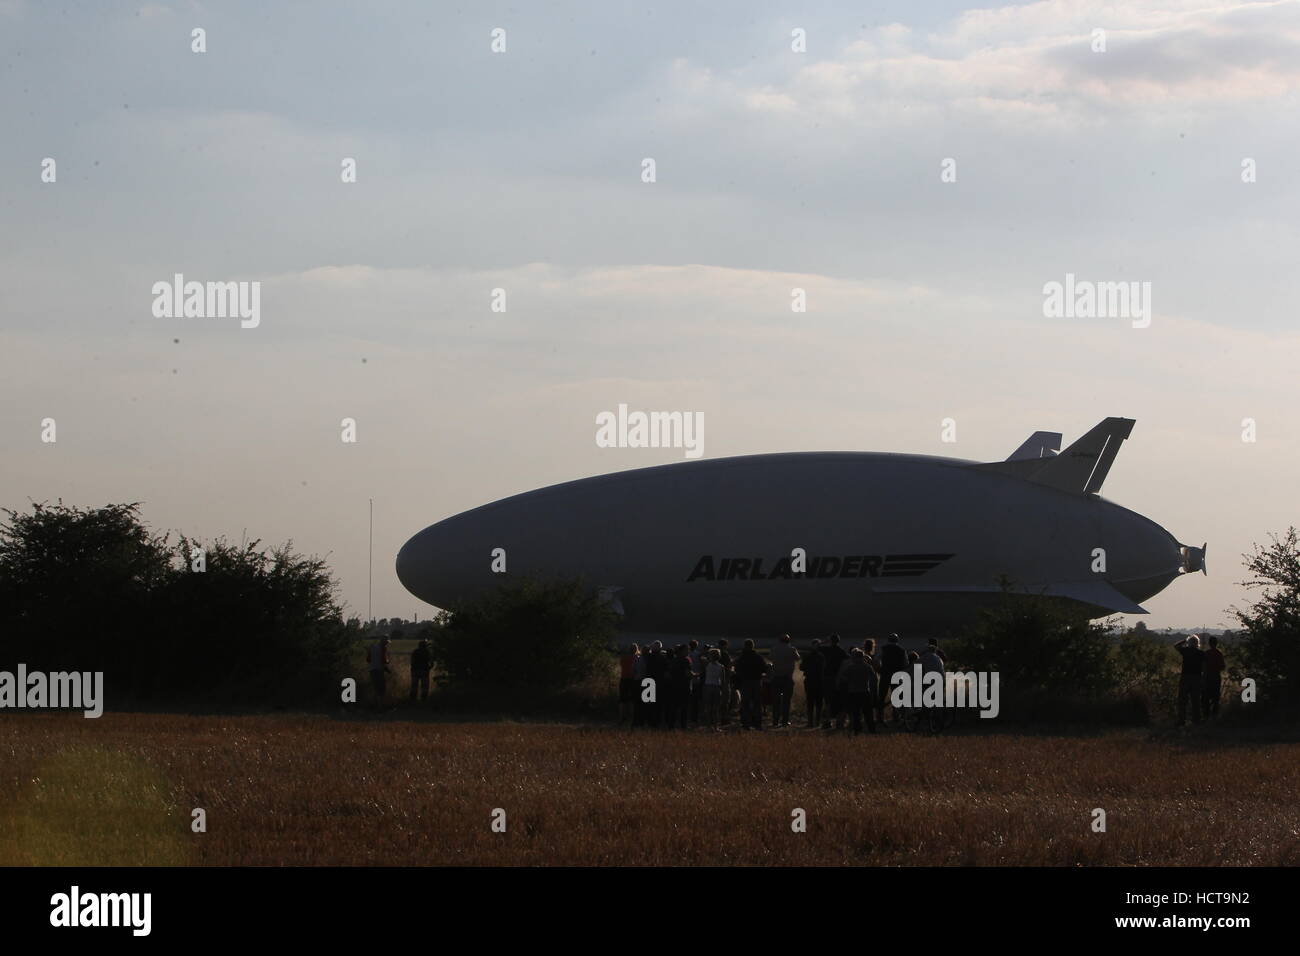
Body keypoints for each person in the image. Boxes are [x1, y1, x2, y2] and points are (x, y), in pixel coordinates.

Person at [837, 647, 879, 734]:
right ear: (863, 657)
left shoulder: (850, 667)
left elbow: (843, 678)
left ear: (855, 657)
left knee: (856, 714)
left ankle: (857, 731)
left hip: (853, 692)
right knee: (868, 714)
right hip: (865, 692)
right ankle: (872, 730)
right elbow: (874, 678)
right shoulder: (868, 667)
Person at [769, 634, 801, 727]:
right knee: (786, 701)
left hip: (776, 678)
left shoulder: (774, 649)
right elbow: (798, 658)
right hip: (787, 678)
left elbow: (770, 658)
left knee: (776, 701)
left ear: (779, 641)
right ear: (788, 641)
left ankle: (775, 721)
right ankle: (784, 721)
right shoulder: (792, 649)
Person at [735, 639, 767, 730]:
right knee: (757, 703)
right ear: (753, 646)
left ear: (745, 646)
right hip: (757, 682)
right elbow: (764, 669)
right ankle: (758, 724)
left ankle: (746, 723)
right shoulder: (758, 657)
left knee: (745, 703)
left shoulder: (741, 658)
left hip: (745, 682)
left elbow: (737, 670)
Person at [1174, 634, 1205, 726]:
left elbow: (1176, 646)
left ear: (1189, 643)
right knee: (1195, 700)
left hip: (1185, 677)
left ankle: (1181, 720)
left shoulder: (1185, 651)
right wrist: (1203, 678)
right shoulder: (1201, 653)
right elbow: (1203, 667)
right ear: (1197, 643)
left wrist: (1185, 640)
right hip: (1196, 677)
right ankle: (1196, 720)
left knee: (1182, 700)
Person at [878, 634, 907, 725]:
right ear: (897, 640)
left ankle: (880, 717)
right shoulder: (902, 650)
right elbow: (905, 663)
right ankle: (896, 716)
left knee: (882, 696)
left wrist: (880, 670)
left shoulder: (883, 648)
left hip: (885, 675)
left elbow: (877, 659)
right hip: (897, 675)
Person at [820, 634, 848, 729]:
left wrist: (824, 641)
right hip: (838, 678)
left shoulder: (826, 650)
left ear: (831, 641)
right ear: (838, 641)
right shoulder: (841, 651)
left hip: (827, 677)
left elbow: (816, 647)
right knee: (839, 700)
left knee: (827, 701)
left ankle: (827, 721)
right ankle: (839, 722)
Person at [801, 639, 825, 727]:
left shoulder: (807, 656)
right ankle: (817, 722)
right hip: (819, 681)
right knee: (819, 702)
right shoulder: (822, 656)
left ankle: (810, 722)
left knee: (810, 701)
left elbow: (801, 667)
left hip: (809, 681)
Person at [1202, 636, 1226, 718]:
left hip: (1207, 677)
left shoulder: (1206, 653)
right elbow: (1223, 667)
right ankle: (1214, 715)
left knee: (1206, 697)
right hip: (1216, 677)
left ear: (1209, 643)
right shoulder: (1219, 653)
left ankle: (1206, 715)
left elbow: (1202, 666)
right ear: (1216, 644)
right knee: (1216, 697)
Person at [702, 649, 725, 728]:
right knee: (716, 708)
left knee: (708, 707)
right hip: (717, 686)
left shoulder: (707, 664)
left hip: (708, 686)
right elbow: (723, 680)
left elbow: (702, 657)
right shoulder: (721, 666)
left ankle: (708, 725)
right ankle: (715, 726)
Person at [619, 644, 641, 726]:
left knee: (622, 700)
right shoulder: (636, 659)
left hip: (623, 679)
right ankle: (632, 718)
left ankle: (622, 717)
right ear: (636, 650)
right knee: (632, 700)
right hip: (632, 680)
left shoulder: (623, 658)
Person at [367, 635, 391, 708]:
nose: (387, 643)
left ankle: (374, 705)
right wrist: (388, 661)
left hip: (372, 670)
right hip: (379, 670)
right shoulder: (383, 648)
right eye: (386, 642)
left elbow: (368, 660)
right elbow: (383, 661)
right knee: (381, 689)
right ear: (384, 642)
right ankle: (380, 707)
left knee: (376, 688)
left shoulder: (372, 646)